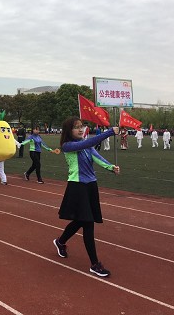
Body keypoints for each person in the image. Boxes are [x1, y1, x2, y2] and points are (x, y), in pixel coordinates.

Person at [53, 117, 120, 278]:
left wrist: (111, 167)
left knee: (81, 221)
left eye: (81, 126)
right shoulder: (68, 146)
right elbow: (87, 144)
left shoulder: (85, 144)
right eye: (76, 127)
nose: (81, 129)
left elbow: (96, 157)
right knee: (88, 223)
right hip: (78, 187)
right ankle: (94, 264)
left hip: (90, 186)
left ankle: (60, 241)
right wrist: (109, 132)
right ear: (69, 131)